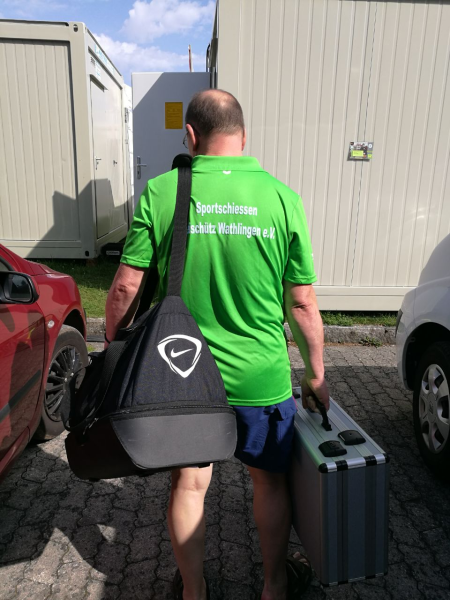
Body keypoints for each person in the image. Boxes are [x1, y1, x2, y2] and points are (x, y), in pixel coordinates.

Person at [104, 89, 329, 600]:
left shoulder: (162, 192)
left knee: (189, 485)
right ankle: (274, 587)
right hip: (260, 377)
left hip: (185, 379)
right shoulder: (282, 198)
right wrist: (316, 374)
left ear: (190, 135)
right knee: (269, 482)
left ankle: (193, 592)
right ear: (243, 136)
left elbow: (124, 288)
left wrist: (113, 351)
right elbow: (302, 302)